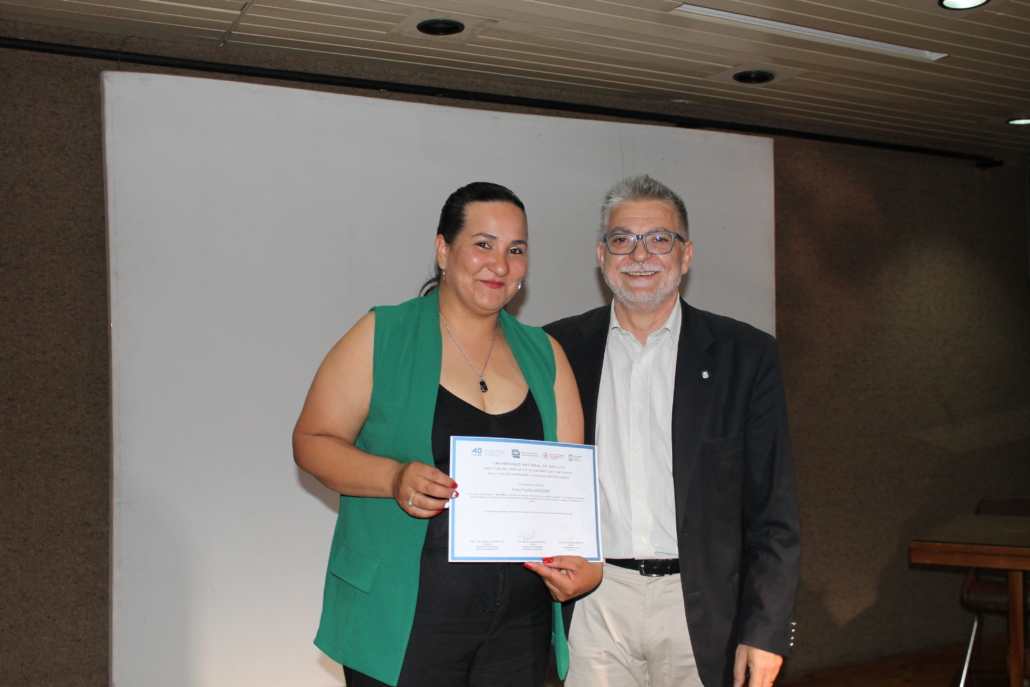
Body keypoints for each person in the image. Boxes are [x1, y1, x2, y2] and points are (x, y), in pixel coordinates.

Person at [293, 182, 602, 687]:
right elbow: (312, 440)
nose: (500, 264)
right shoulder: (383, 334)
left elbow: (569, 494)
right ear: (443, 249)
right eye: (483, 244)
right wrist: (393, 478)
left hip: (518, 628)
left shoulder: (547, 355)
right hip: (402, 621)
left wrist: (586, 563)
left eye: (516, 249)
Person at [544, 175, 800, 687]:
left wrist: (767, 629)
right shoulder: (556, 348)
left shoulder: (746, 356)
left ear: (686, 256)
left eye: (660, 239)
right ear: (602, 255)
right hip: (593, 606)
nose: (640, 255)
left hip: (704, 610)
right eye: (622, 239)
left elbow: (773, 511)